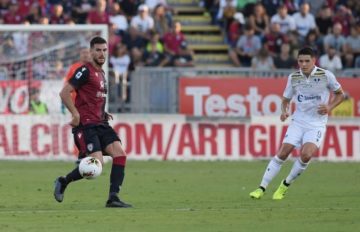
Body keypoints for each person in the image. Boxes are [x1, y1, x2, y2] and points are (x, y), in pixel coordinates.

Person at [249, 47, 345, 200]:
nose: (304, 64)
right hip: (298, 121)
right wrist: (284, 111)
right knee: (283, 152)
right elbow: (285, 100)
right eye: (301, 61)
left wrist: (329, 107)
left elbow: (341, 94)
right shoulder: (294, 77)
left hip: (316, 123)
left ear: (314, 60)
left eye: (307, 61)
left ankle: (284, 185)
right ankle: (261, 188)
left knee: (306, 155)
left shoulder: (326, 75)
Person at [54, 36, 132, 208]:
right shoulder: (85, 71)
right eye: (98, 50)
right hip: (86, 125)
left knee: (120, 154)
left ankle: (113, 197)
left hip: (101, 123)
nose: (102, 53)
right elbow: (64, 93)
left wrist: (103, 112)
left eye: (104, 50)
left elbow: (91, 98)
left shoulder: (102, 73)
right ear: (91, 52)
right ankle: (63, 181)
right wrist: (75, 114)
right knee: (96, 165)